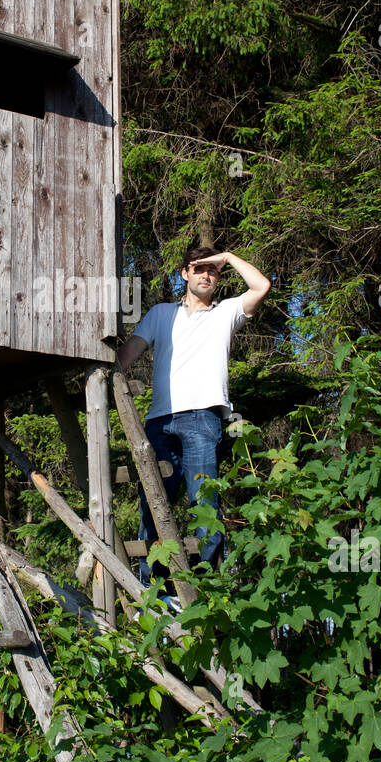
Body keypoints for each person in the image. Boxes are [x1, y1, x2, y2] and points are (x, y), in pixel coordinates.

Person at [116, 245, 271, 593]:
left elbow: (261, 287)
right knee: (153, 502)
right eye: (199, 268)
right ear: (184, 273)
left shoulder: (226, 312)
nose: (206, 275)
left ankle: (204, 588)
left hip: (204, 419)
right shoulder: (160, 313)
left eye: (212, 271)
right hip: (160, 421)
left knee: (205, 505)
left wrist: (228, 257)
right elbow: (127, 355)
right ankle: (153, 587)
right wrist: (101, 375)